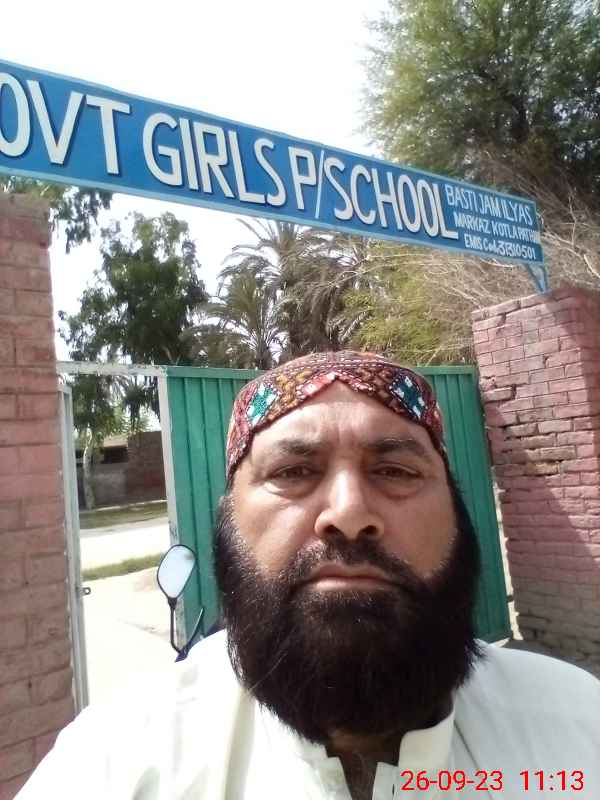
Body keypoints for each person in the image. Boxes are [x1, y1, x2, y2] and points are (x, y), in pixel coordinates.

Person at [16, 351, 600, 799]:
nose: (348, 512)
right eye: (293, 472)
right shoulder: (116, 762)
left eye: (396, 471)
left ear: (457, 515)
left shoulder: (579, 728)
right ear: (228, 521)